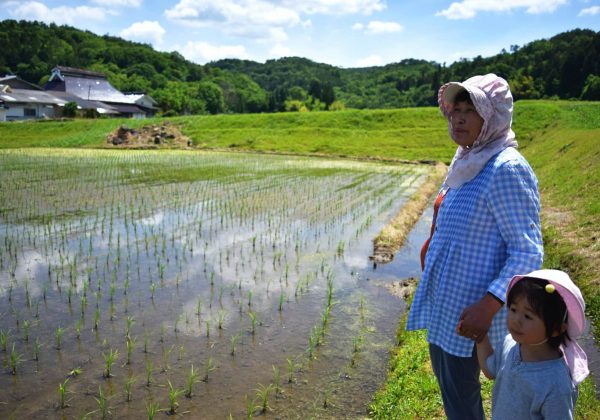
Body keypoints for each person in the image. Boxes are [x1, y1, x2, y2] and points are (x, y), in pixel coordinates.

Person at [406, 73, 544, 419]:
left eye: (471, 109)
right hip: (447, 305)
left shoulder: (506, 168)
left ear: (494, 115)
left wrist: (488, 304)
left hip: (474, 312)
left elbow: (527, 251)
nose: (458, 118)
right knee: (453, 391)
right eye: (455, 109)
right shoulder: (468, 158)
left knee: (464, 401)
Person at [476, 269, 589, 419]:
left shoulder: (556, 384)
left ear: (556, 329)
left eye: (528, 316)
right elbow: (490, 371)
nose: (516, 320)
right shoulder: (510, 343)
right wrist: (480, 338)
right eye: (513, 309)